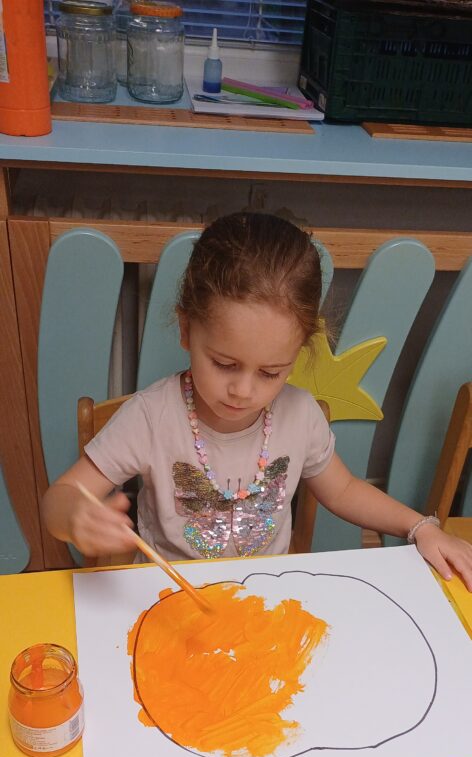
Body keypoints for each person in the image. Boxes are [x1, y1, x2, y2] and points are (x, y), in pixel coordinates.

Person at [42, 212, 472, 589]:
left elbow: (343, 490)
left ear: (298, 354)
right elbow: (58, 499)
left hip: (264, 596)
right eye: (224, 364)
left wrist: (420, 527)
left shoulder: (300, 415)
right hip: (170, 596)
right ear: (186, 330)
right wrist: (75, 516)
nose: (243, 391)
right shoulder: (150, 417)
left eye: (270, 373)